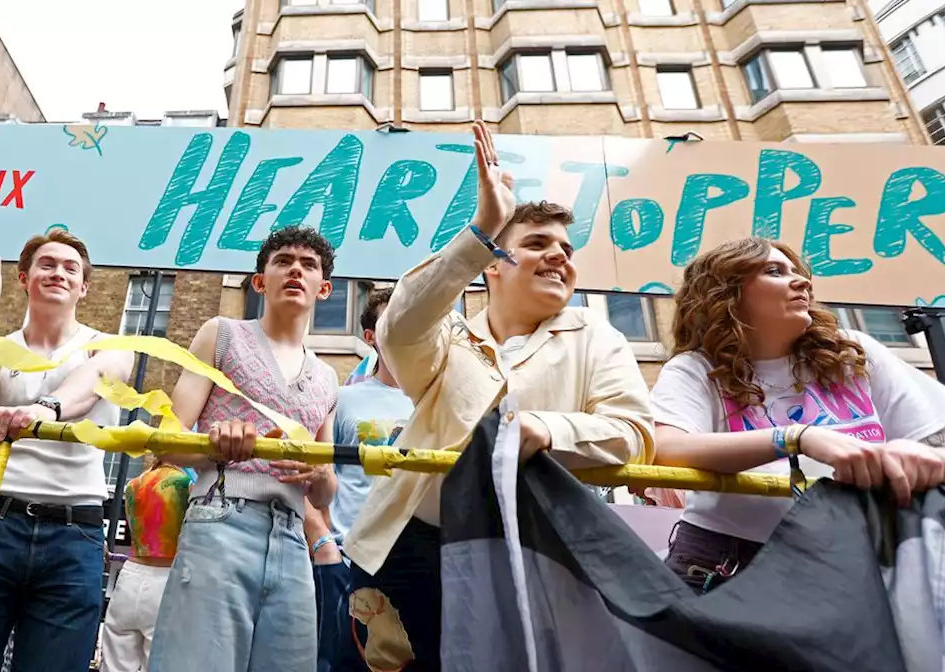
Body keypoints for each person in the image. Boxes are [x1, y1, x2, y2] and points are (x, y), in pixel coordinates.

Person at [340, 121, 654, 671]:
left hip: (532, 554)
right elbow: (398, 328)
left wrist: (547, 430)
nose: (559, 256)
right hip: (411, 554)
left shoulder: (598, 337)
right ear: (492, 265)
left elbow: (633, 435)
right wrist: (484, 225)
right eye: (536, 243)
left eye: (566, 247)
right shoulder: (450, 336)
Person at [650, 236, 945, 594]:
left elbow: (940, 446)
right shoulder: (695, 369)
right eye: (774, 271)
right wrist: (796, 438)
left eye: (799, 271)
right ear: (725, 295)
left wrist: (927, 458)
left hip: (858, 560)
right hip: (728, 565)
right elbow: (666, 447)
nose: (802, 282)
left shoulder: (854, 353)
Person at [0, 227, 134, 672]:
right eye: (46, 264)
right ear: (23, 279)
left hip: (75, 531)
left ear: (84, 287)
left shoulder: (107, 345)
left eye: (70, 267)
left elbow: (95, 381)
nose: (58, 272)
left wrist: (46, 409)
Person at [147, 226, 341, 672]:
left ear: (324, 288)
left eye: (308, 265)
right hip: (221, 519)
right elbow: (167, 440)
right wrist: (215, 449)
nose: (296, 269)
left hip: (294, 541)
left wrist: (319, 475)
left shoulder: (329, 379)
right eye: (283, 261)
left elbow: (326, 494)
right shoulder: (222, 334)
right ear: (260, 281)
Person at [303, 287, 414, 672]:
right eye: (391, 320)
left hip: (417, 560)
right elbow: (311, 475)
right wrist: (322, 543)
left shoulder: (438, 401)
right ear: (370, 338)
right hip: (349, 563)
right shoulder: (343, 398)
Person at [98, 455, 193, 671]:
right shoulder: (186, 484)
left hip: (129, 576)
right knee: (159, 662)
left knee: (114, 664)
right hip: (165, 577)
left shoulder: (134, 485)